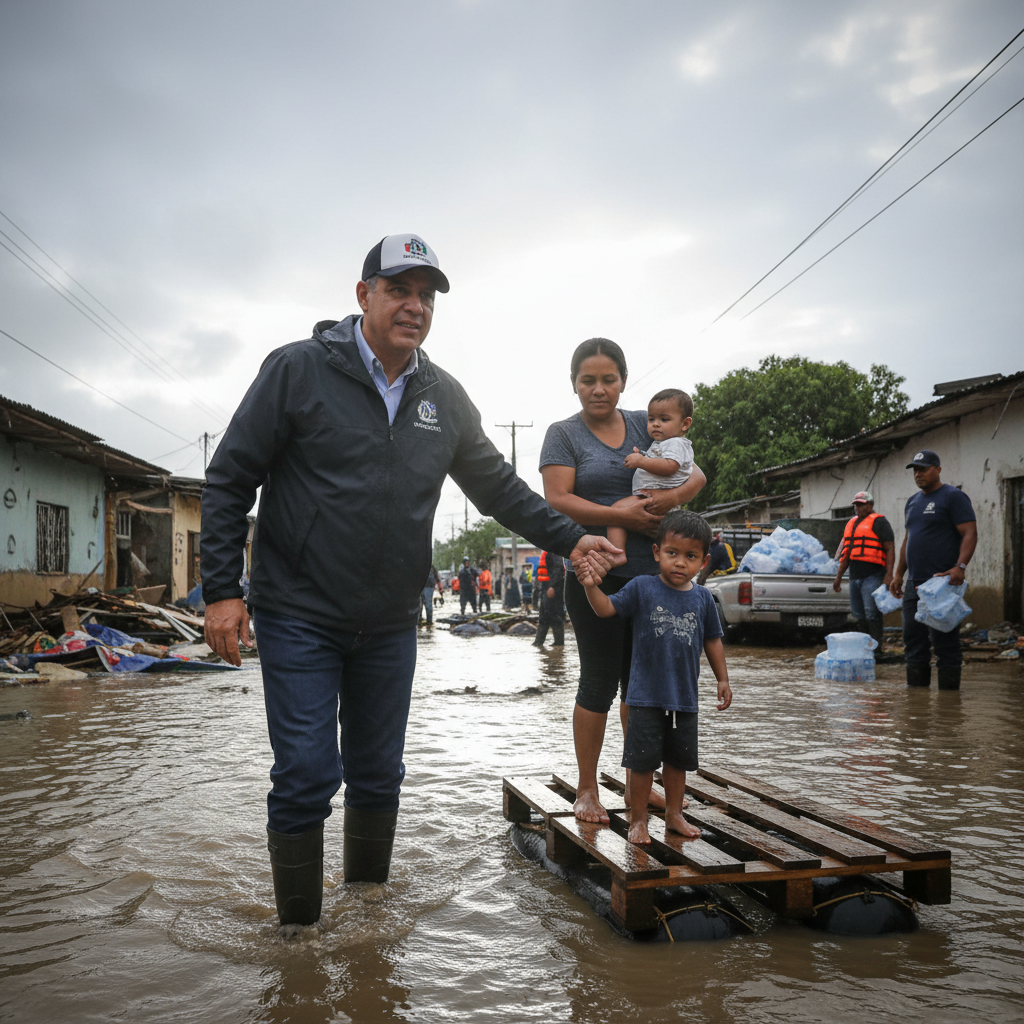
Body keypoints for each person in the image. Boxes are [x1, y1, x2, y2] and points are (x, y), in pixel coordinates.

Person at [200, 233, 624, 928]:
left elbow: (501, 490)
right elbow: (229, 478)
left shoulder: (442, 396)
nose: (414, 306)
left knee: (378, 776)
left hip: (391, 620)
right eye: (399, 290)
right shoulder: (298, 370)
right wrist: (222, 590)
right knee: (306, 774)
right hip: (299, 612)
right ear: (363, 295)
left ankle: (367, 924)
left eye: (426, 296)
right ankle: (298, 941)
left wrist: (575, 537)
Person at [540, 337, 706, 824]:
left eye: (608, 379)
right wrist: (620, 514)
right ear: (574, 384)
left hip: (654, 581)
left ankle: (643, 786)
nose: (598, 389)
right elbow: (558, 499)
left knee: (642, 687)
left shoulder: (647, 422)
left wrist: (663, 506)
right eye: (588, 380)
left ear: (623, 381)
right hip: (594, 574)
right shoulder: (563, 434)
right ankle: (587, 790)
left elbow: (695, 476)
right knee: (598, 682)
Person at [577, 511, 732, 845]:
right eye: (672, 553)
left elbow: (713, 640)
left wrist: (723, 679)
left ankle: (675, 815)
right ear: (656, 552)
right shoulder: (642, 588)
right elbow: (605, 609)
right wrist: (591, 586)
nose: (679, 563)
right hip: (644, 697)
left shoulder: (703, 598)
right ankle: (639, 820)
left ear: (703, 561)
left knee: (678, 761)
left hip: (685, 699)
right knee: (643, 762)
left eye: (690, 556)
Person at [889, 449, 977, 691]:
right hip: (914, 584)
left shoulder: (953, 497)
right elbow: (908, 539)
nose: (918, 474)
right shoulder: (912, 502)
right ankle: (917, 707)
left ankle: (949, 708)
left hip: (941, 585)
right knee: (913, 644)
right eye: (915, 470)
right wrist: (898, 574)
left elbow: (969, 532)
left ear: (938, 469)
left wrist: (960, 567)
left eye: (924, 469)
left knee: (945, 644)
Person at [606, 389, 693, 553]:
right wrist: (642, 456)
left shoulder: (676, 443)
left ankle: (616, 552)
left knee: (615, 512)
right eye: (651, 419)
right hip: (652, 497)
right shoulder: (663, 443)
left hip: (654, 497)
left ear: (685, 424)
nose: (656, 423)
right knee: (666, 539)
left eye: (664, 419)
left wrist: (641, 461)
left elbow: (670, 466)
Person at [831, 491, 895, 646]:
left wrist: (889, 574)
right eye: (856, 505)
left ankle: (876, 649)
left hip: (873, 575)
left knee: (872, 613)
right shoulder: (851, 524)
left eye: (861, 504)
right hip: (854, 576)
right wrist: (838, 577)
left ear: (870, 505)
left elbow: (890, 549)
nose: (857, 508)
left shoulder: (880, 522)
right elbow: (846, 553)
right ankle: (863, 648)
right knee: (858, 615)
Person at [533, 550, 566, 648]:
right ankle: (538, 642)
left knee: (553, 613)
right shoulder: (547, 551)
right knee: (544, 614)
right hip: (545, 586)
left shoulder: (553, 551)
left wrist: (552, 587)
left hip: (552, 587)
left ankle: (559, 643)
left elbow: (558, 569)